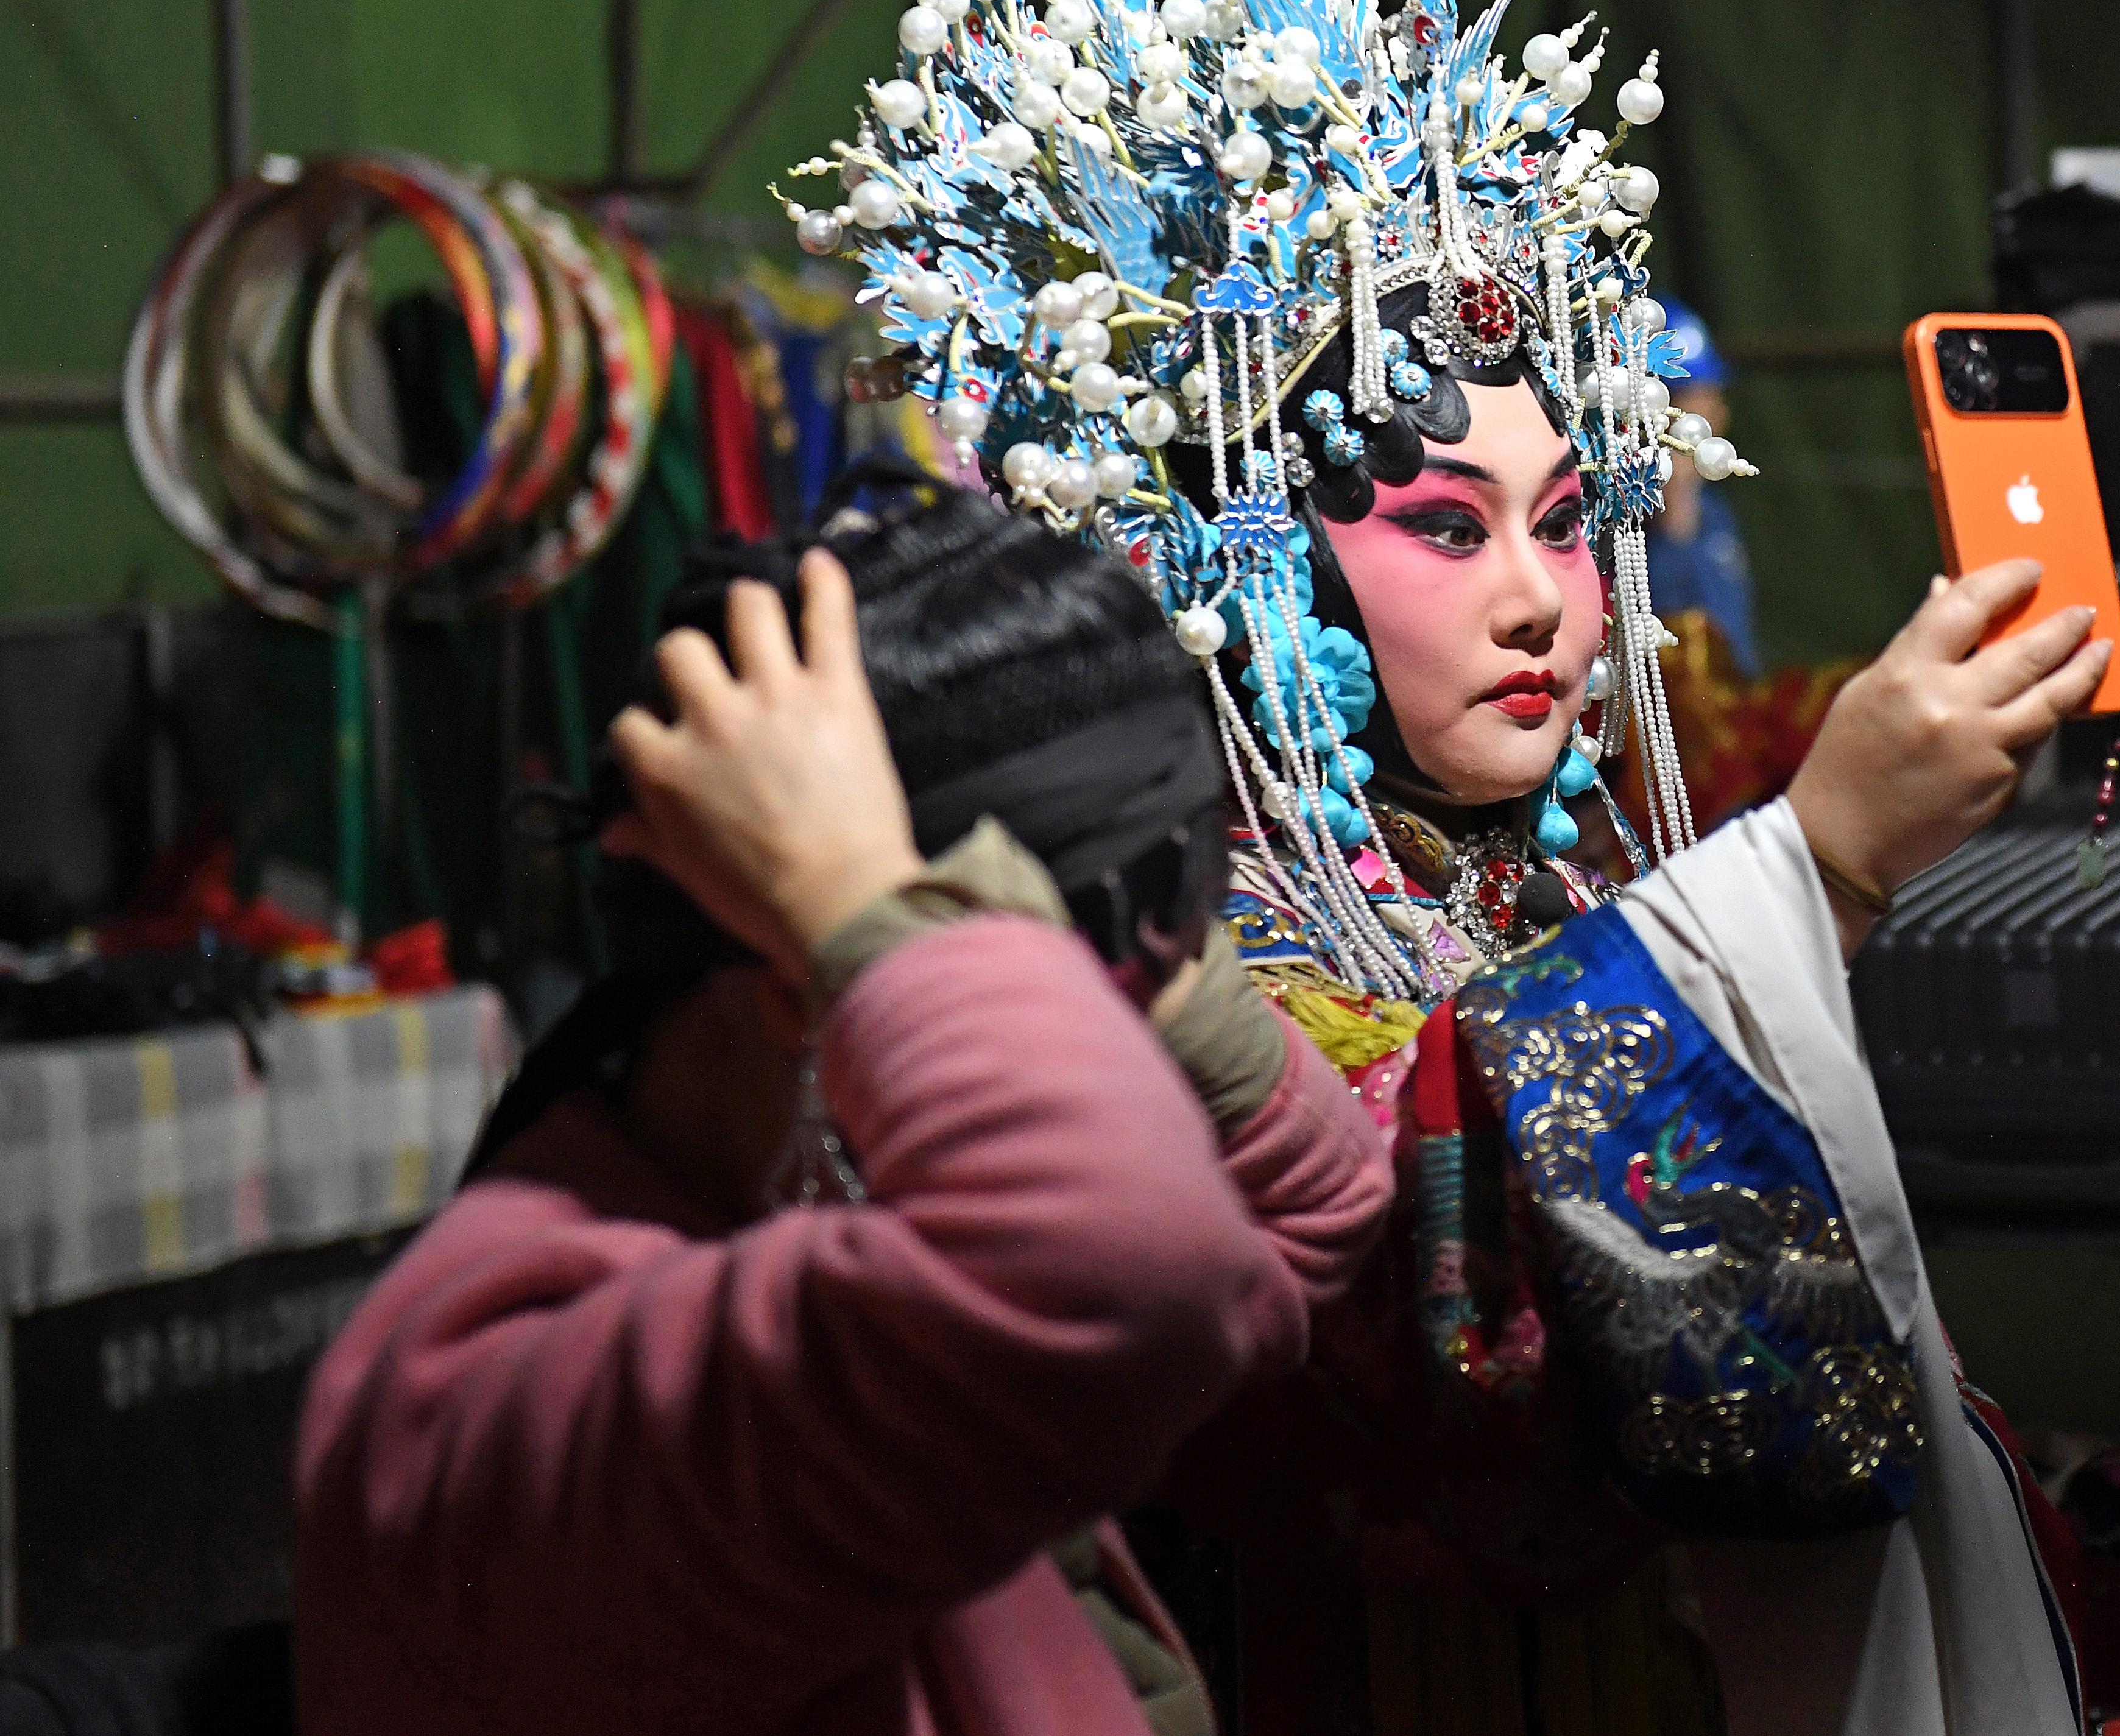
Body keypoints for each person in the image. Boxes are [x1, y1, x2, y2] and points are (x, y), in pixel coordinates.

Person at [795, 0, 2106, 1734]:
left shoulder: (1546, 877)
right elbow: (1440, 1349)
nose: (1537, 602)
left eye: (1564, 521)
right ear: (1253, 569)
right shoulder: (1156, 950)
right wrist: (1813, 873)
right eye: (1442, 524)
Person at [294, 492, 1392, 1736]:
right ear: (799, 978)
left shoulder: (871, 1268)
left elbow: (1307, 1223)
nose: (1110, 1050)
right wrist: (870, 907)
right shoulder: (504, 1419)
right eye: (1064, 979)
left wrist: (1150, 930)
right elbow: (1120, 1263)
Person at [1640, 298, 1762, 676]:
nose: (1720, 415)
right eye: (1697, 403)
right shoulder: (1627, 515)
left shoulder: (1713, 509)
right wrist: (1674, 495)